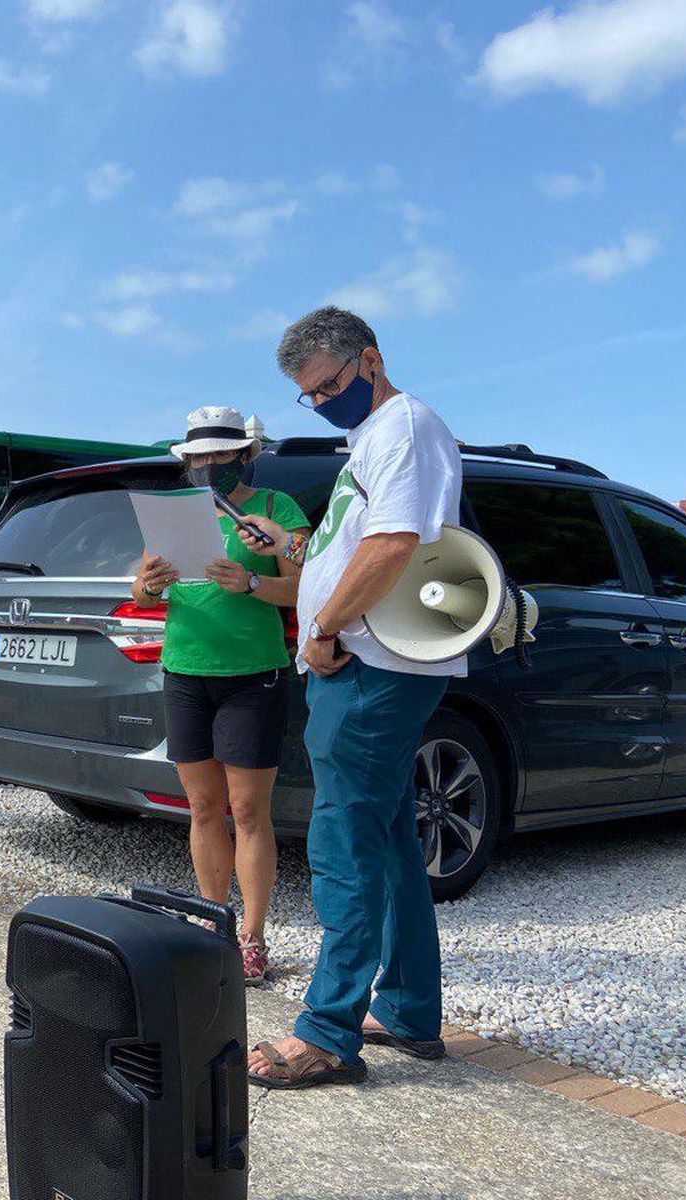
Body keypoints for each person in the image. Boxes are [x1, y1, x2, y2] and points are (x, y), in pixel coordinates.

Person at [243, 307, 463, 1090]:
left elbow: (396, 543)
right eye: (310, 394)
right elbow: (359, 537)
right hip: (370, 662)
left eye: (331, 384)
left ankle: (328, 1031)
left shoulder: (402, 425)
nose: (323, 400)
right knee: (390, 837)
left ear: (371, 359)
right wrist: (301, 553)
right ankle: (407, 1007)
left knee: (343, 845)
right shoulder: (371, 439)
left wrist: (325, 628)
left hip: (369, 664)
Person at [131, 406, 309, 985]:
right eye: (199, 457)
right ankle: (214, 923)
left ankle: (254, 937)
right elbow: (144, 592)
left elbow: (306, 589)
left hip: (252, 674)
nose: (209, 465)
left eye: (221, 455)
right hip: (185, 670)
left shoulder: (278, 511)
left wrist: (254, 582)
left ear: (245, 454)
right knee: (203, 808)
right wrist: (147, 586)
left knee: (250, 811)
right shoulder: (176, 513)